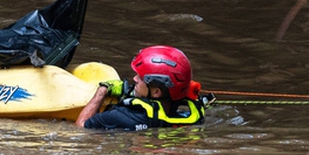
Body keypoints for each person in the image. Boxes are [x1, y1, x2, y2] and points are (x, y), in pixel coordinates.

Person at [76, 45, 212, 130]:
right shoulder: (194, 116)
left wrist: (102, 91)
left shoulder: (121, 116)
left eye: (140, 78)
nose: (134, 79)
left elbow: (81, 127)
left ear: (156, 92)